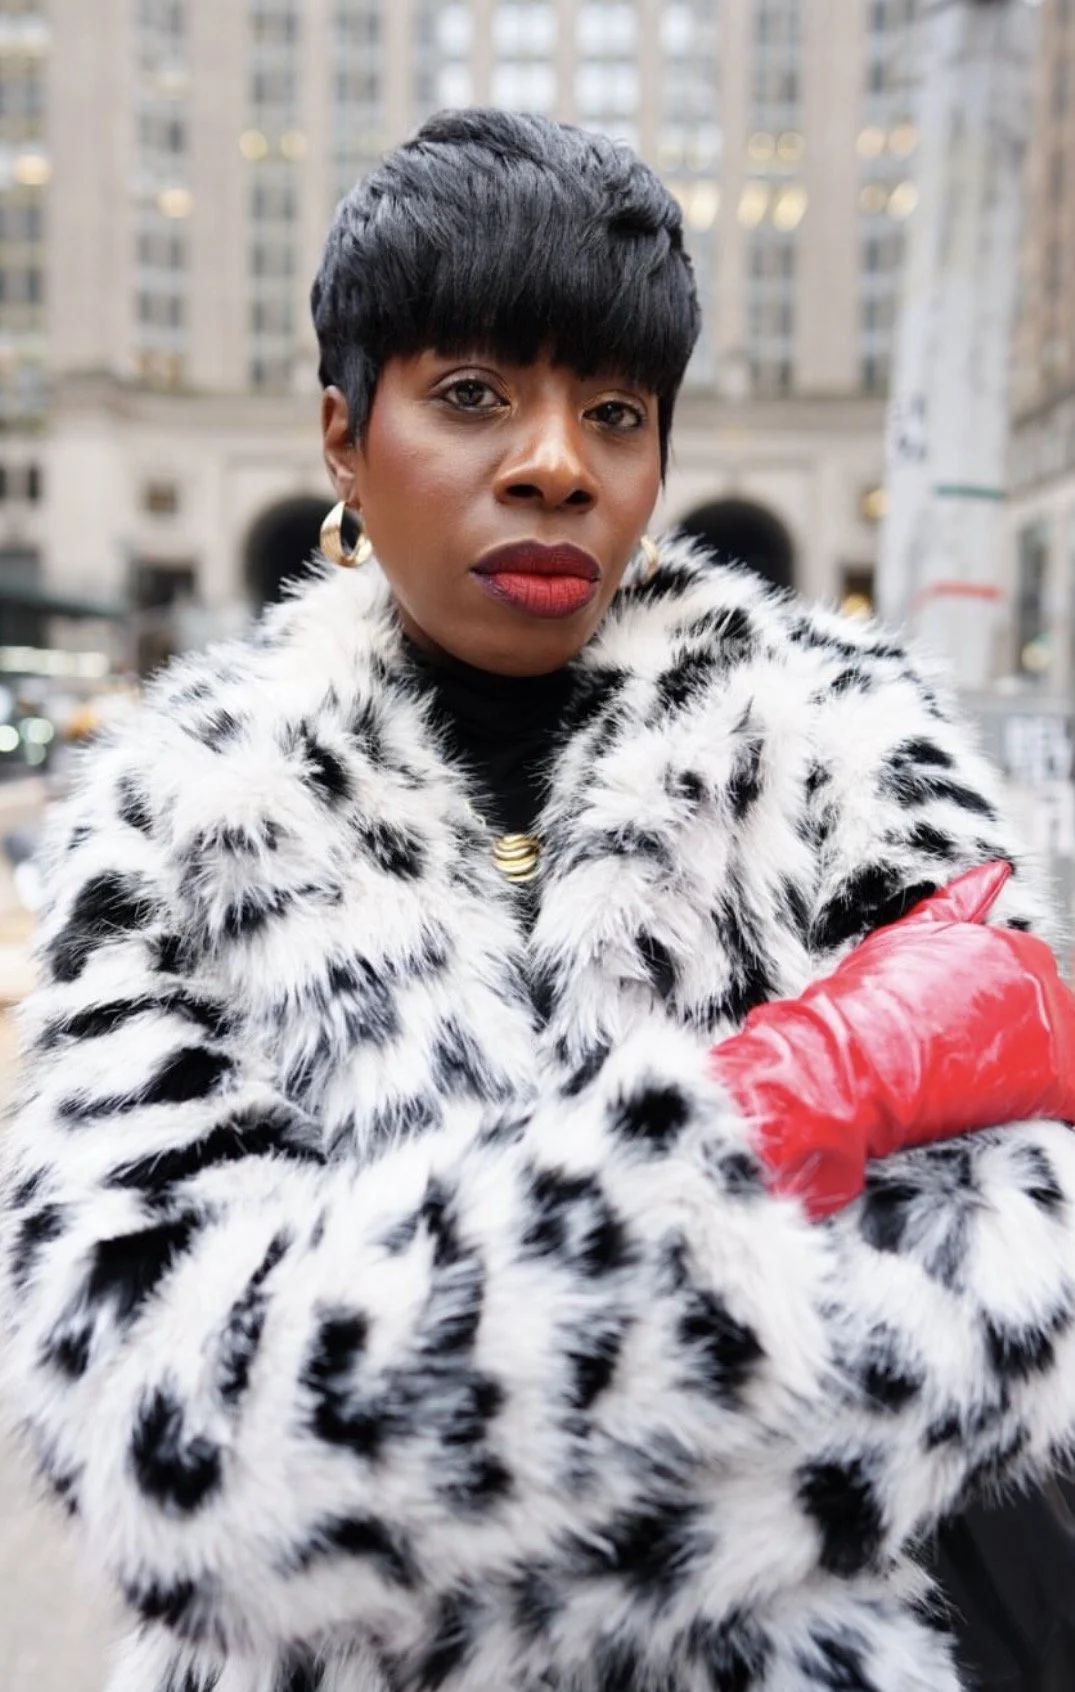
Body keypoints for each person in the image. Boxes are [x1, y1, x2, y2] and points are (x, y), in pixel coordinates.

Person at [3, 110, 1075, 1692]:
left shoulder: (843, 746)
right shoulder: (178, 818)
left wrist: (417, 1451)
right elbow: (173, 1443)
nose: (559, 463)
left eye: (618, 410)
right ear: (339, 436)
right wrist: (766, 1117)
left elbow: (1004, 1313)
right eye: (470, 396)